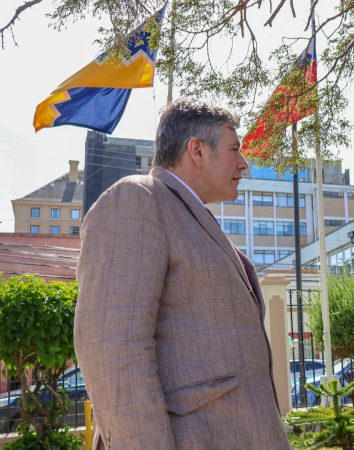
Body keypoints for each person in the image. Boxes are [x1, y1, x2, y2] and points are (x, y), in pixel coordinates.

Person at [74, 99, 291, 449]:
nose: (244, 164)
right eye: (235, 149)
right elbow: (112, 348)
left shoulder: (192, 217)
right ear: (197, 151)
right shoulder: (137, 200)